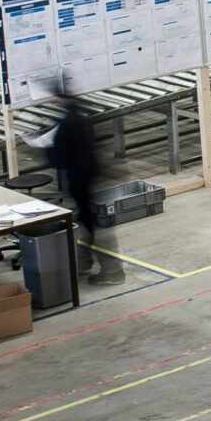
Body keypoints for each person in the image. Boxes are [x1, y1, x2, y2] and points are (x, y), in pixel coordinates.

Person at [42, 80, 123, 285]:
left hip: (80, 179)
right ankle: (84, 264)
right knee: (88, 221)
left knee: (92, 224)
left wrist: (48, 148)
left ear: (59, 98)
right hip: (92, 174)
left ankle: (112, 271)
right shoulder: (82, 112)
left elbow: (59, 160)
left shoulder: (68, 124)